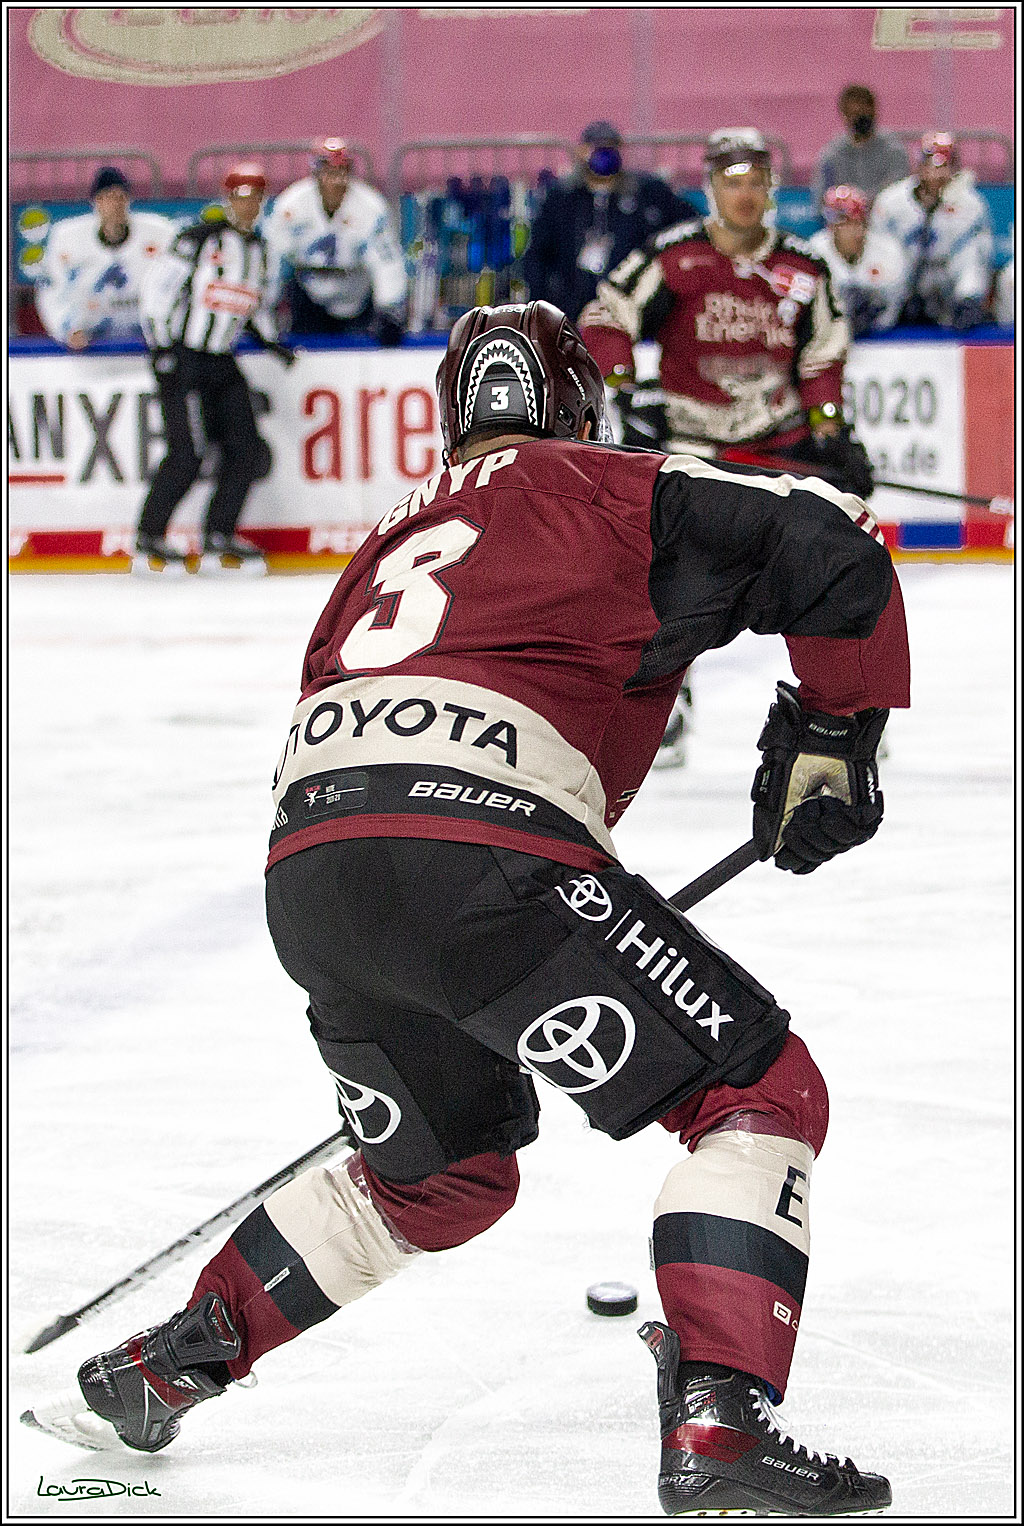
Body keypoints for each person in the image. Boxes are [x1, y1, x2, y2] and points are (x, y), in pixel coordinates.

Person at [24, 300, 909, 1518]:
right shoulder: (610, 481)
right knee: (761, 1090)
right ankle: (720, 1412)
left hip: (315, 869)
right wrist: (831, 729)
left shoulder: (380, 542)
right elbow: (835, 541)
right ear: (578, 404)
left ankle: (172, 1359)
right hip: (486, 853)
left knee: (441, 1178)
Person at [579, 128, 874, 768]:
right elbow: (606, 318)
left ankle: (845, 707)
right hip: (692, 443)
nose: (744, 193)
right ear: (711, 189)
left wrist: (828, 428)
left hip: (778, 442)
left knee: (827, 565)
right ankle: (665, 707)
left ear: (772, 187)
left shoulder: (804, 267)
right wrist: (624, 393)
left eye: (755, 180)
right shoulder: (673, 255)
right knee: (667, 579)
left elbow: (824, 353)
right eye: (730, 181)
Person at [135, 162, 295, 569]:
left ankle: (217, 534)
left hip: (222, 360)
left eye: (256, 199)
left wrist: (273, 343)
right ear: (227, 201)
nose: (249, 207)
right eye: (241, 198)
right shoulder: (198, 239)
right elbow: (158, 290)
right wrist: (162, 348)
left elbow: (252, 303)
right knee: (187, 453)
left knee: (246, 449)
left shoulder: (259, 251)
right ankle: (149, 536)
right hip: (184, 359)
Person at [523, 119, 700, 319]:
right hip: (572, 307)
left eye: (611, 147)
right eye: (596, 147)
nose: (604, 153)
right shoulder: (561, 198)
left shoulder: (648, 193)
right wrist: (542, 306)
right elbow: (537, 255)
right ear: (581, 151)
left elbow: (689, 227)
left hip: (634, 306)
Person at [263, 137, 408, 342]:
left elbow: (386, 262)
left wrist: (389, 308)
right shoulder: (291, 206)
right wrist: (266, 304)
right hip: (308, 294)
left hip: (356, 292)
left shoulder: (371, 207)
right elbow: (273, 256)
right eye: (329, 171)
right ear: (316, 173)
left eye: (342, 171)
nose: (336, 179)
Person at [34, 167, 173, 350]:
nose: (114, 204)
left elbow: (174, 285)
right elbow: (51, 289)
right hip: (90, 334)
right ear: (96, 201)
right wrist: (68, 328)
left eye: (120, 197)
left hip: (146, 336)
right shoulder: (67, 237)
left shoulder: (160, 232)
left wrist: (167, 329)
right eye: (107, 197)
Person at [870, 132, 994, 330]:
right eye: (931, 165)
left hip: (945, 279)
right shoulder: (890, 201)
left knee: (971, 251)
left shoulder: (971, 204)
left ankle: (966, 306)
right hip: (903, 277)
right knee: (889, 256)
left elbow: (981, 255)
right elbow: (877, 249)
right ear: (919, 165)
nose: (937, 174)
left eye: (944, 166)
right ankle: (883, 314)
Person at [807, 184, 907, 335]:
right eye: (842, 223)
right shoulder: (814, 251)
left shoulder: (888, 251)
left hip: (883, 337)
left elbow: (896, 303)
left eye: (854, 222)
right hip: (830, 335)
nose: (852, 230)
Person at [814, 84, 910, 212]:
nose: (860, 118)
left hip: (885, 221)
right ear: (844, 115)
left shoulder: (894, 150)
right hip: (844, 223)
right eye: (853, 114)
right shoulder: (831, 155)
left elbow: (899, 195)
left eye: (865, 112)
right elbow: (821, 200)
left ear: (875, 111)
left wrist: (862, 206)